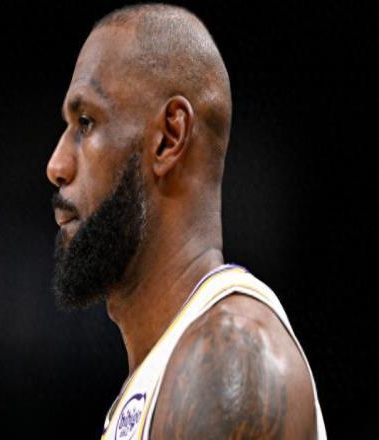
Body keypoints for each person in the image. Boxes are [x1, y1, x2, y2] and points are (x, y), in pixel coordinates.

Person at [46, 3, 327, 439]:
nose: (56, 165)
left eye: (86, 123)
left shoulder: (228, 363)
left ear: (169, 138)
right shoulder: (170, 369)